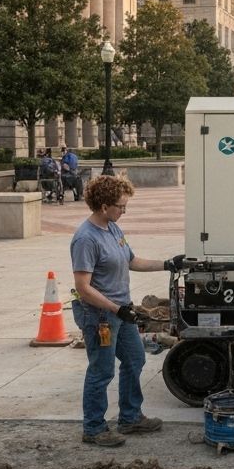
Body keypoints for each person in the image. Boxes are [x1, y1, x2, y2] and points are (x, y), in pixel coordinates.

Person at [70, 174, 186, 447]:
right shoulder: (86, 239)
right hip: (101, 316)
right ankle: (94, 428)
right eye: (120, 206)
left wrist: (168, 263)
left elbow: (132, 260)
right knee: (101, 371)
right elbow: (83, 287)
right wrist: (116, 309)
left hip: (121, 311)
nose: (124, 210)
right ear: (103, 206)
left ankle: (130, 418)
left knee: (135, 359)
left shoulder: (113, 229)